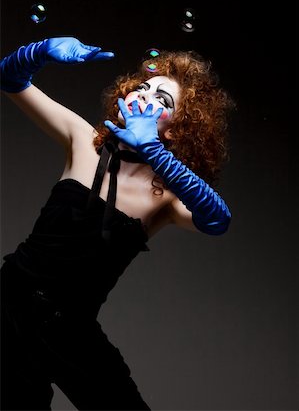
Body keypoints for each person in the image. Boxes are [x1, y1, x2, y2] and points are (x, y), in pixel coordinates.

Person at [0, 37, 235, 410]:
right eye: (143, 87)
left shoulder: (168, 199)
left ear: (176, 129)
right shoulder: (84, 140)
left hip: (71, 328)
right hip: (8, 304)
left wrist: (155, 153)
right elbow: (9, 79)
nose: (145, 95)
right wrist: (41, 50)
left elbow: (218, 220)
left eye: (163, 100)